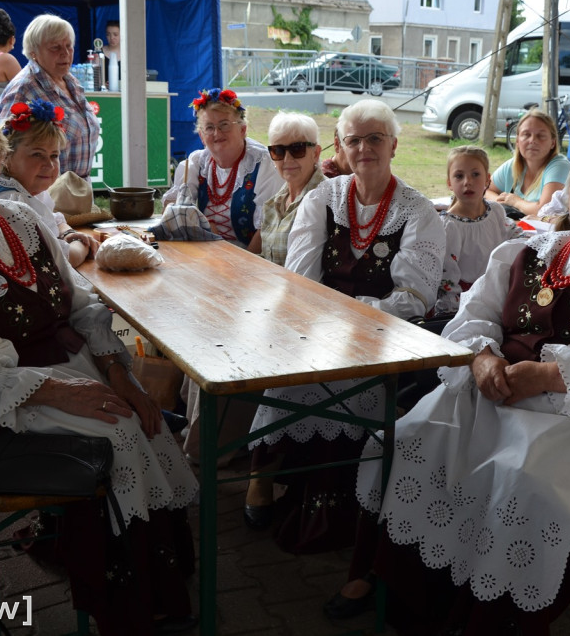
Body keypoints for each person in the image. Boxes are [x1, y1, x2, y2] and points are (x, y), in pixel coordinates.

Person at [326, 140, 570, 636]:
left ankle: (489, 616)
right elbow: (473, 313)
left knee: (519, 481)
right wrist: (481, 358)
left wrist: (549, 374)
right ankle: (383, 574)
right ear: (566, 195)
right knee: (401, 440)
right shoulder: (527, 249)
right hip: (491, 389)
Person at [0, 104, 199, 635]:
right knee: (117, 431)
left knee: (145, 414)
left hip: (60, 367)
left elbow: (84, 301)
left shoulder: (21, 219)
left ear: (0, 160)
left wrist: (118, 369)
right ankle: (117, 605)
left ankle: (154, 577)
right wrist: (60, 394)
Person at [244, 99, 445, 552]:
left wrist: (350, 324)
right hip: (316, 333)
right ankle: (265, 475)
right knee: (288, 381)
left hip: (380, 341)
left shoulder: (418, 212)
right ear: (338, 147)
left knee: (352, 390)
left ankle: (330, 503)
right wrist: (326, 328)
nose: (364, 148)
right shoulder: (323, 199)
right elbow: (300, 282)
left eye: (375, 138)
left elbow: (414, 299)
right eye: (353, 140)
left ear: (394, 145)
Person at [163, 88, 281, 250]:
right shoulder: (196, 163)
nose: (217, 133)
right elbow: (171, 211)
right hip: (208, 256)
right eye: (209, 127)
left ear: (242, 130)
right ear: (201, 136)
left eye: (224, 125)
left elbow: (266, 231)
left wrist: (240, 267)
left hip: (251, 260)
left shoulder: (263, 163)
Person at [0, 99, 98, 268]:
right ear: (5, 157)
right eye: (37, 154)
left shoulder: (29, 189)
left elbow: (53, 219)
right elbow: (62, 260)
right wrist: (82, 246)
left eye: (54, 155)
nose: (49, 164)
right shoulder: (10, 202)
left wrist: (67, 232)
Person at [0, 14, 99, 181]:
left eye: (69, 46)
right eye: (55, 47)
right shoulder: (24, 88)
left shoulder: (70, 80)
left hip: (78, 189)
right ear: (33, 51)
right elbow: (5, 148)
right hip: (45, 191)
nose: (65, 53)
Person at [437, 145, 519, 315]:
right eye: (459, 176)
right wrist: (454, 313)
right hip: (464, 302)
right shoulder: (449, 226)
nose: (468, 182)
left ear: (488, 180)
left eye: (475, 174)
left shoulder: (495, 210)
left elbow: (513, 233)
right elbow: (447, 277)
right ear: (449, 183)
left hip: (496, 291)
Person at [260, 111, 324, 266]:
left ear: (315, 153)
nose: (288, 159)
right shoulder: (275, 202)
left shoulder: (326, 200)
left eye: (297, 149)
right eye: (279, 151)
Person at [487, 109, 570, 218]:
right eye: (526, 134)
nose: (532, 140)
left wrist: (515, 202)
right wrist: (501, 202)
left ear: (553, 142)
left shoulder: (560, 167)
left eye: (540, 136)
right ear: (517, 141)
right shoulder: (512, 165)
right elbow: (485, 190)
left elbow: (545, 211)